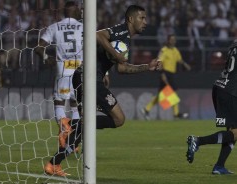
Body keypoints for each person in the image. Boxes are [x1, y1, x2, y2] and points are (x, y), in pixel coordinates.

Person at [41, 4, 162, 176]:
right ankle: (73, 124)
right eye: (142, 18)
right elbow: (97, 35)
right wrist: (116, 54)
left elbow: (121, 69)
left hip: (90, 78)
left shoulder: (126, 39)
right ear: (131, 19)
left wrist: (146, 67)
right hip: (87, 78)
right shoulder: (120, 31)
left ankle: (54, 163)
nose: (145, 22)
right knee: (118, 119)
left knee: (85, 128)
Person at [34, 1, 83, 176]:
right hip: (80, 69)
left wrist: (46, 57)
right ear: (77, 11)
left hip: (63, 68)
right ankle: (73, 140)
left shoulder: (54, 27)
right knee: (78, 102)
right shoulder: (84, 27)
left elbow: (39, 48)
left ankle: (64, 128)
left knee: (60, 100)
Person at [186, 39, 237, 175]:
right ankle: (198, 141)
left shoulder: (234, 44)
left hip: (220, 87)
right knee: (235, 132)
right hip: (231, 91)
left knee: (232, 132)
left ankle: (219, 166)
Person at [141, 34, 191, 120]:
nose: (173, 41)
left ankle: (146, 109)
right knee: (173, 91)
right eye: (171, 39)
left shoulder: (175, 50)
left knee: (161, 95)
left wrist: (185, 64)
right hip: (165, 74)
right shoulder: (164, 50)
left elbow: (179, 59)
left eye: (174, 39)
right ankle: (176, 114)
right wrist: (162, 73)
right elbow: (159, 62)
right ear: (168, 40)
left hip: (171, 75)